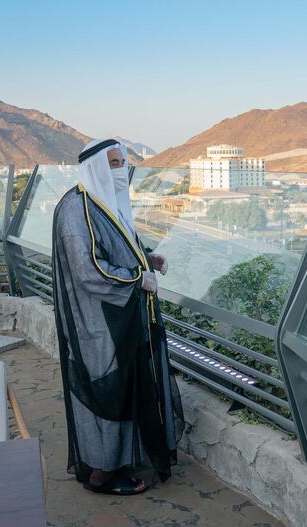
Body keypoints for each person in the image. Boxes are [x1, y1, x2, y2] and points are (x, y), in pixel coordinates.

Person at [51, 138, 184, 495]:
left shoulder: (102, 202)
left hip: (120, 319)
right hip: (101, 325)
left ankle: (117, 461)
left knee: (124, 391)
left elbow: (121, 242)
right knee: (109, 395)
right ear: (94, 167)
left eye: (122, 163)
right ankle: (102, 474)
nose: (119, 171)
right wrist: (138, 279)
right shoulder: (77, 210)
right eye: (112, 164)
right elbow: (88, 270)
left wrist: (147, 257)